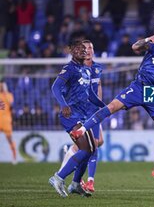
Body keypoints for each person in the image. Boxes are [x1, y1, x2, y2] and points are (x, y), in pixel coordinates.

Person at [70, 35, 154, 188]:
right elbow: (135, 47)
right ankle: (82, 130)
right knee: (111, 107)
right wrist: (146, 40)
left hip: (153, 93)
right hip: (138, 87)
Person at [49, 41, 105, 198]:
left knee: (92, 148)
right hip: (70, 115)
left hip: (82, 116)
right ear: (71, 51)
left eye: (85, 48)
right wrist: (63, 104)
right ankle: (58, 178)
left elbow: (91, 95)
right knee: (87, 148)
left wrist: (106, 107)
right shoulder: (69, 69)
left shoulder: (86, 70)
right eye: (79, 49)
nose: (83, 51)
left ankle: (75, 184)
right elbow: (55, 87)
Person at [0, 81, 17, 164]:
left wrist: (5, 92)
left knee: (9, 139)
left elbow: (11, 104)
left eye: (2, 85)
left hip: (6, 120)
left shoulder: (9, 95)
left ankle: (14, 156)